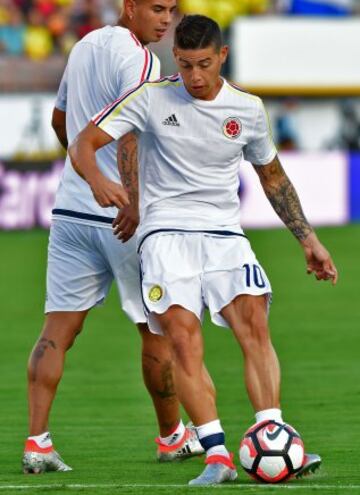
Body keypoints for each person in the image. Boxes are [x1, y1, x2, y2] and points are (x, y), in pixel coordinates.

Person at [69, 14, 338, 485]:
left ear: (223, 57)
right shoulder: (150, 99)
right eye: (186, 64)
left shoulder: (248, 109)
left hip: (225, 234)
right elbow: (83, 144)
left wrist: (308, 238)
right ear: (176, 57)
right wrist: (101, 183)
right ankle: (217, 456)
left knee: (254, 324)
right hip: (165, 234)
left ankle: (269, 430)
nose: (194, 76)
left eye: (204, 64)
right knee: (182, 337)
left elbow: (272, 177)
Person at [22, 0, 205, 475]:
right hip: (124, 215)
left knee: (57, 332)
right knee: (157, 328)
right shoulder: (142, 60)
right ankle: (171, 438)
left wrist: (85, 172)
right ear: (130, 7)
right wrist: (130, 199)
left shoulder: (84, 46)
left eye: (173, 10)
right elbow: (130, 134)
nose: (167, 20)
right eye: (156, 9)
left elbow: (61, 123)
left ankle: (37, 442)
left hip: (71, 210)